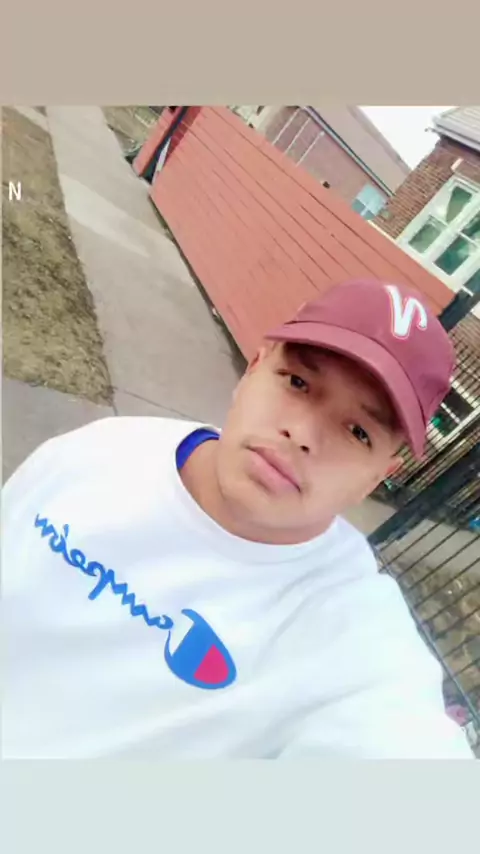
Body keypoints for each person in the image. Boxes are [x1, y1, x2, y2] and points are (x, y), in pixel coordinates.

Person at [2, 279, 474, 759]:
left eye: (358, 431)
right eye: (297, 383)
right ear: (253, 369)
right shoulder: (99, 451)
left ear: (376, 478)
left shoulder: (348, 637)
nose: (302, 433)